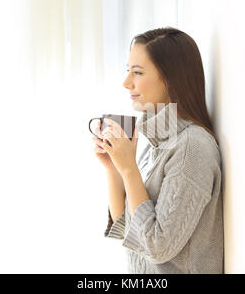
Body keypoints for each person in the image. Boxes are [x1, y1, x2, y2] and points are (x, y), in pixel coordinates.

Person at [91, 27, 223, 274]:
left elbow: (156, 246)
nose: (126, 82)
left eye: (137, 72)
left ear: (171, 78)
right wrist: (114, 167)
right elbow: (127, 232)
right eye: (127, 71)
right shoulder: (157, 142)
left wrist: (129, 168)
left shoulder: (192, 148)